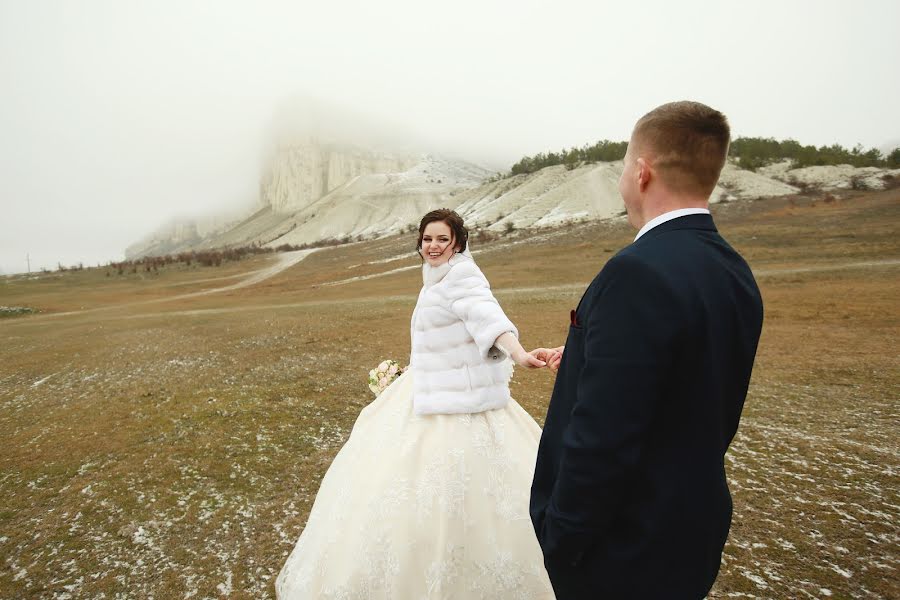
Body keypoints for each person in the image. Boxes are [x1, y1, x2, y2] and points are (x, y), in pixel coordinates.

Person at [529, 101, 764, 599]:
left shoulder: (636, 271)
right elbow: (688, 371)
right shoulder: (733, 270)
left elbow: (603, 437)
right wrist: (587, 354)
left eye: (622, 167)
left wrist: (561, 537)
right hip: (688, 532)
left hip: (623, 548)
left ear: (641, 172)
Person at [276, 209, 556, 599]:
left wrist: (519, 354)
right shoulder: (436, 278)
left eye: (442, 239)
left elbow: (487, 318)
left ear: (457, 242)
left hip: (457, 405)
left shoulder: (462, 276)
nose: (433, 246)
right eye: (427, 239)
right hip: (428, 390)